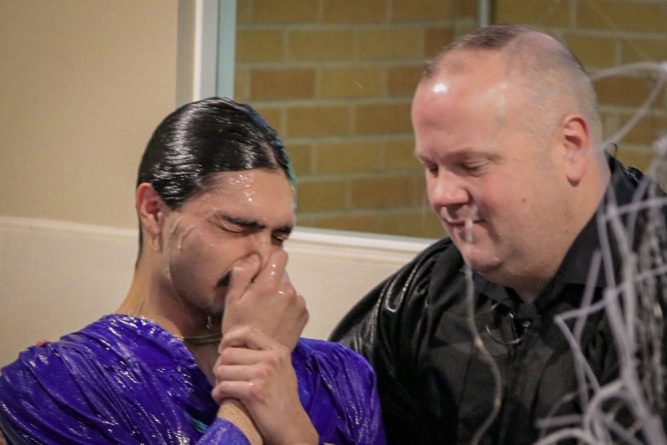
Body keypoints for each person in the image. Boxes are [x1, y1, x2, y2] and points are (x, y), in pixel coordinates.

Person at [330, 24, 667, 444]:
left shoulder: (652, 299)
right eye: (431, 167)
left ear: (571, 146)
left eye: (471, 166)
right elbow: (334, 417)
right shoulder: (428, 293)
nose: (442, 195)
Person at [0, 97, 386, 444]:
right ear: (153, 210)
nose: (264, 259)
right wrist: (245, 402)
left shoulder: (340, 377)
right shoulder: (56, 387)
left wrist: (291, 423)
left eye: (279, 236)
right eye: (236, 227)